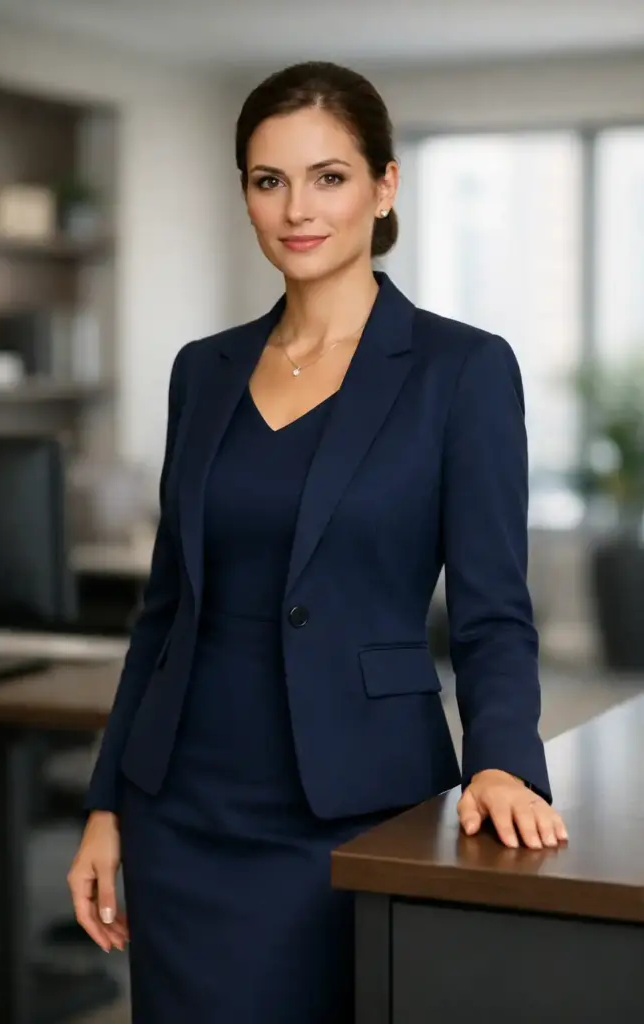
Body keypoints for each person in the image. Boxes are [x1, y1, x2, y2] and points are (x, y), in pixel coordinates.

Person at [68, 60, 568, 1023]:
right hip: (183, 811)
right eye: (269, 180)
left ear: (384, 186)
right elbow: (164, 611)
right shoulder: (202, 372)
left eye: (328, 176)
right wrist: (106, 805)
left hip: (358, 808)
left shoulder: (459, 370)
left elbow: (493, 612)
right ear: (246, 196)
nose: (297, 208)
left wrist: (501, 759)